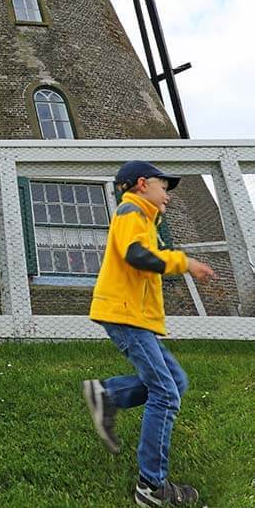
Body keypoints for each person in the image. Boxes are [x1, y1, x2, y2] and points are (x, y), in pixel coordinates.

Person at [82, 159, 216, 507]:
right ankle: (151, 486)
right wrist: (181, 261)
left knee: (176, 382)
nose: (167, 194)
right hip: (125, 316)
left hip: (135, 317)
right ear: (142, 184)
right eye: (163, 186)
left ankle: (108, 395)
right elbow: (136, 255)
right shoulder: (131, 212)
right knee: (166, 394)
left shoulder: (143, 217)